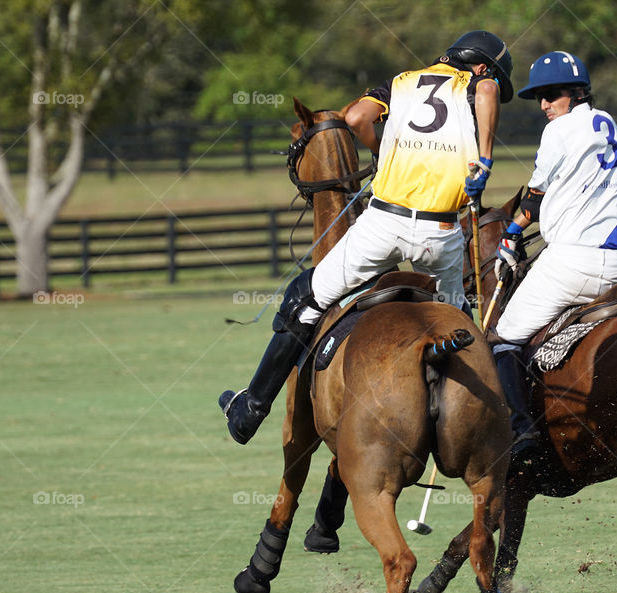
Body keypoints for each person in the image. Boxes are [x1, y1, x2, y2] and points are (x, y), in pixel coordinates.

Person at [219, 30, 513, 446]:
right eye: (495, 79)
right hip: (440, 234)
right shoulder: (479, 85)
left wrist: (384, 151)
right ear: (482, 65)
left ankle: (250, 410)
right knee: (461, 325)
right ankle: (501, 425)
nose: (493, 87)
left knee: (307, 297)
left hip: (383, 227)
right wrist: (484, 158)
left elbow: (355, 117)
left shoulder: (399, 82)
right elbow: (486, 88)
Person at [490, 51, 617, 462]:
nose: (544, 105)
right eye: (539, 97)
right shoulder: (609, 124)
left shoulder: (558, 132)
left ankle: (523, 434)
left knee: (503, 338)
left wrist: (512, 232)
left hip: (571, 263)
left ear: (577, 93)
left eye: (552, 95)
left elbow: (535, 195)